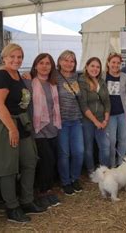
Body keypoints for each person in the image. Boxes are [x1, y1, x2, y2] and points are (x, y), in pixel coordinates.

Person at [0, 43, 46, 223]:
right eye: (12, 57)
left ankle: (27, 200)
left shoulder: (17, 74)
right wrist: (12, 129)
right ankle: (12, 207)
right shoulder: (1, 75)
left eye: (19, 57)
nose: (16, 60)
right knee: (8, 167)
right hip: (2, 124)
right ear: (4, 58)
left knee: (29, 161)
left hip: (19, 121)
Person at [27, 53, 62, 208]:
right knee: (45, 161)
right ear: (35, 65)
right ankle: (41, 193)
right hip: (37, 128)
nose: (44, 66)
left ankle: (47, 190)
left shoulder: (53, 83)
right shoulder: (29, 82)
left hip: (52, 127)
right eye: (41, 63)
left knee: (51, 160)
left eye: (48, 63)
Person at [55, 50, 84, 195]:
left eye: (72, 61)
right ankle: (66, 182)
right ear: (59, 61)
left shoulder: (77, 77)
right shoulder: (54, 76)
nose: (68, 63)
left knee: (79, 152)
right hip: (62, 121)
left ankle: (74, 178)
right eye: (65, 60)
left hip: (76, 120)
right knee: (64, 153)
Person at [105, 53, 126, 167]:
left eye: (118, 63)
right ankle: (112, 164)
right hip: (109, 115)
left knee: (123, 139)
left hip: (124, 113)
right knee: (112, 141)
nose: (116, 65)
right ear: (108, 63)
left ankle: (121, 164)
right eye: (113, 62)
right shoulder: (103, 77)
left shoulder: (124, 76)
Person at [78, 57, 111, 173]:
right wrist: (95, 121)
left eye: (97, 67)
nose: (95, 69)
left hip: (102, 120)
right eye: (92, 66)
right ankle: (91, 171)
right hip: (88, 120)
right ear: (86, 67)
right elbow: (83, 105)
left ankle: (104, 171)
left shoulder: (102, 81)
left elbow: (107, 102)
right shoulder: (82, 81)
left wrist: (105, 120)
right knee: (89, 147)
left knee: (105, 147)